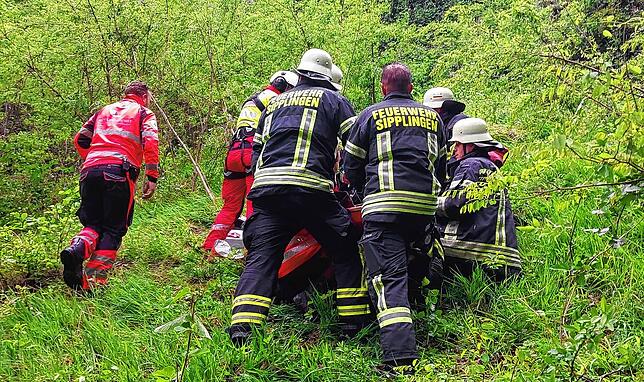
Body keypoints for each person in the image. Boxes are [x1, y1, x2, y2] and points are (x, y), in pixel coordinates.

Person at [228, 49, 370, 345]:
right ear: (328, 78)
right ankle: (353, 325)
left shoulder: (274, 103)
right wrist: (358, 180)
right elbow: (356, 145)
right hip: (311, 192)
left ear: (300, 73)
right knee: (345, 247)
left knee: (262, 258)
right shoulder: (335, 101)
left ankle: (243, 330)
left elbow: (256, 152)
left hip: (268, 193)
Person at [343, 63, 447, 369]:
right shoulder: (433, 117)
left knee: (388, 280)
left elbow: (351, 165)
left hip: (384, 209)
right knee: (414, 263)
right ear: (412, 88)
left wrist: (367, 194)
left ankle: (400, 357)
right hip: (423, 210)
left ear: (383, 87)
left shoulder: (369, 114)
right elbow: (441, 166)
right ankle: (429, 313)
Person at [60, 81, 159, 291]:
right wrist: (151, 175)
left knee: (93, 223)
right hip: (119, 173)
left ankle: (77, 250)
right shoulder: (143, 112)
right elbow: (150, 141)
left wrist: (96, 159)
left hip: (90, 171)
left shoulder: (103, 111)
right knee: (113, 229)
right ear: (144, 96)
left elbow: (80, 140)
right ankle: (94, 284)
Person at [202, 71, 298, 258]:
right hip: (252, 153)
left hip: (234, 153)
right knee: (255, 203)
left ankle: (210, 247)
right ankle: (252, 251)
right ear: (285, 87)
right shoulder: (276, 100)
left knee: (231, 206)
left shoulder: (251, 100)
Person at [436, 117, 521, 281]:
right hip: (500, 259)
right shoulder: (488, 166)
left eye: (459, 144)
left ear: (471, 145)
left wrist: (427, 204)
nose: (455, 149)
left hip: (477, 256)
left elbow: (455, 204)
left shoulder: (472, 165)